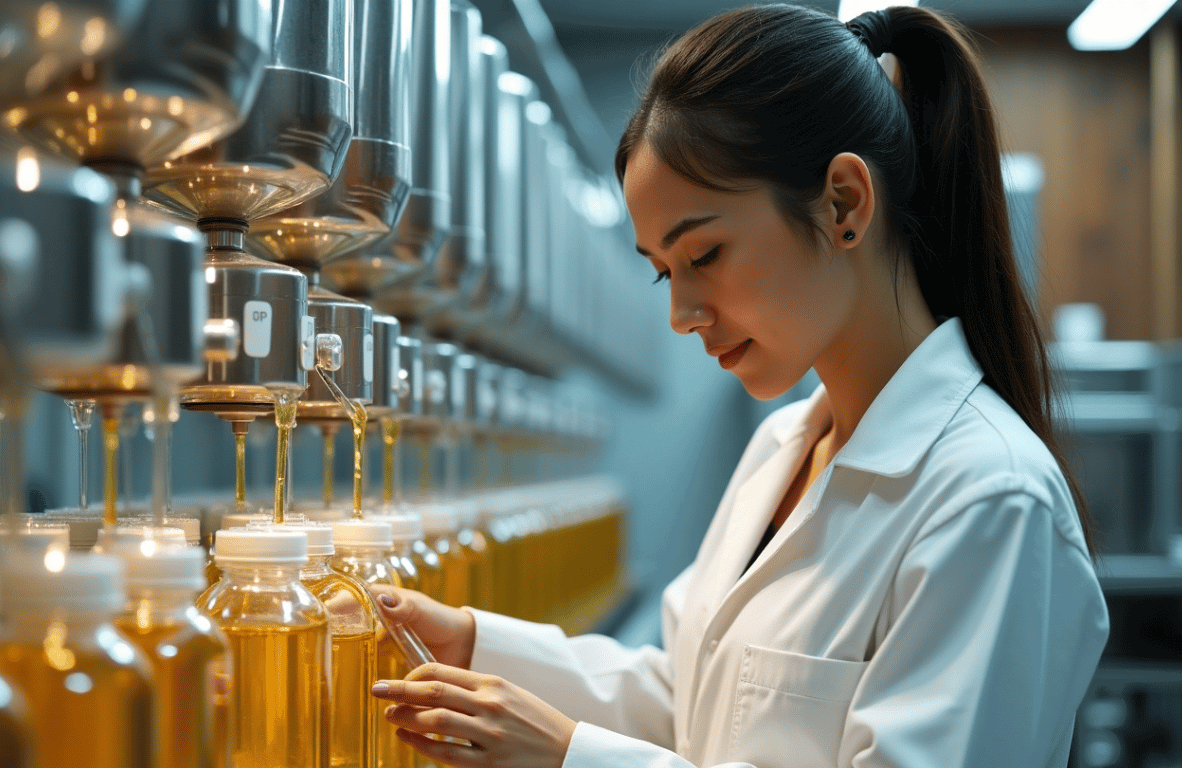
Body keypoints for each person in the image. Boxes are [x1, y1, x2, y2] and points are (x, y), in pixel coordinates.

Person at [368, 4, 1110, 767]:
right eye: (664, 270)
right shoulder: (784, 448)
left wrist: (571, 757)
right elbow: (692, 697)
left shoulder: (990, 501)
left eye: (706, 254)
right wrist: (477, 646)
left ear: (845, 203)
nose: (682, 315)